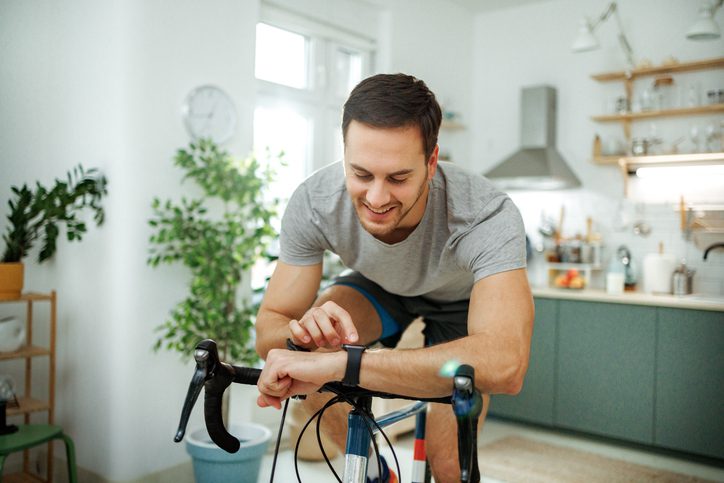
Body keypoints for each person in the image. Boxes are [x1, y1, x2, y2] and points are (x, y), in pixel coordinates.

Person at [254, 73, 534, 483]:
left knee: (448, 467)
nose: (377, 198)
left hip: (461, 304)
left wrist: (347, 364)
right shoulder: (315, 202)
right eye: (362, 174)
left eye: (398, 178)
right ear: (345, 154)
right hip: (378, 287)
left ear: (432, 161)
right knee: (308, 365)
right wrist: (300, 340)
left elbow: (506, 365)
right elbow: (270, 328)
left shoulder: (486, 214)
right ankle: (378, 477)